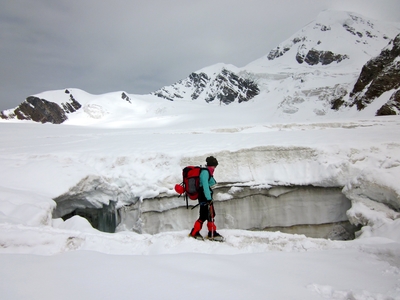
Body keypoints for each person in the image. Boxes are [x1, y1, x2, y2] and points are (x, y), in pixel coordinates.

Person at [189, 156, 224, 241]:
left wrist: (211, 176)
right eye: (214, 166)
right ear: (211, 165)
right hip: (204, 196)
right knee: (204, 215)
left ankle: (212, 232)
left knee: (210, 214)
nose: (215, 168)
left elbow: (211, 183)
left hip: (206, 196)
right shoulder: (205, 172)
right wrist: (208, 198)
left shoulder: (207, 172)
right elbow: (205, 186)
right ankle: (194, 232)